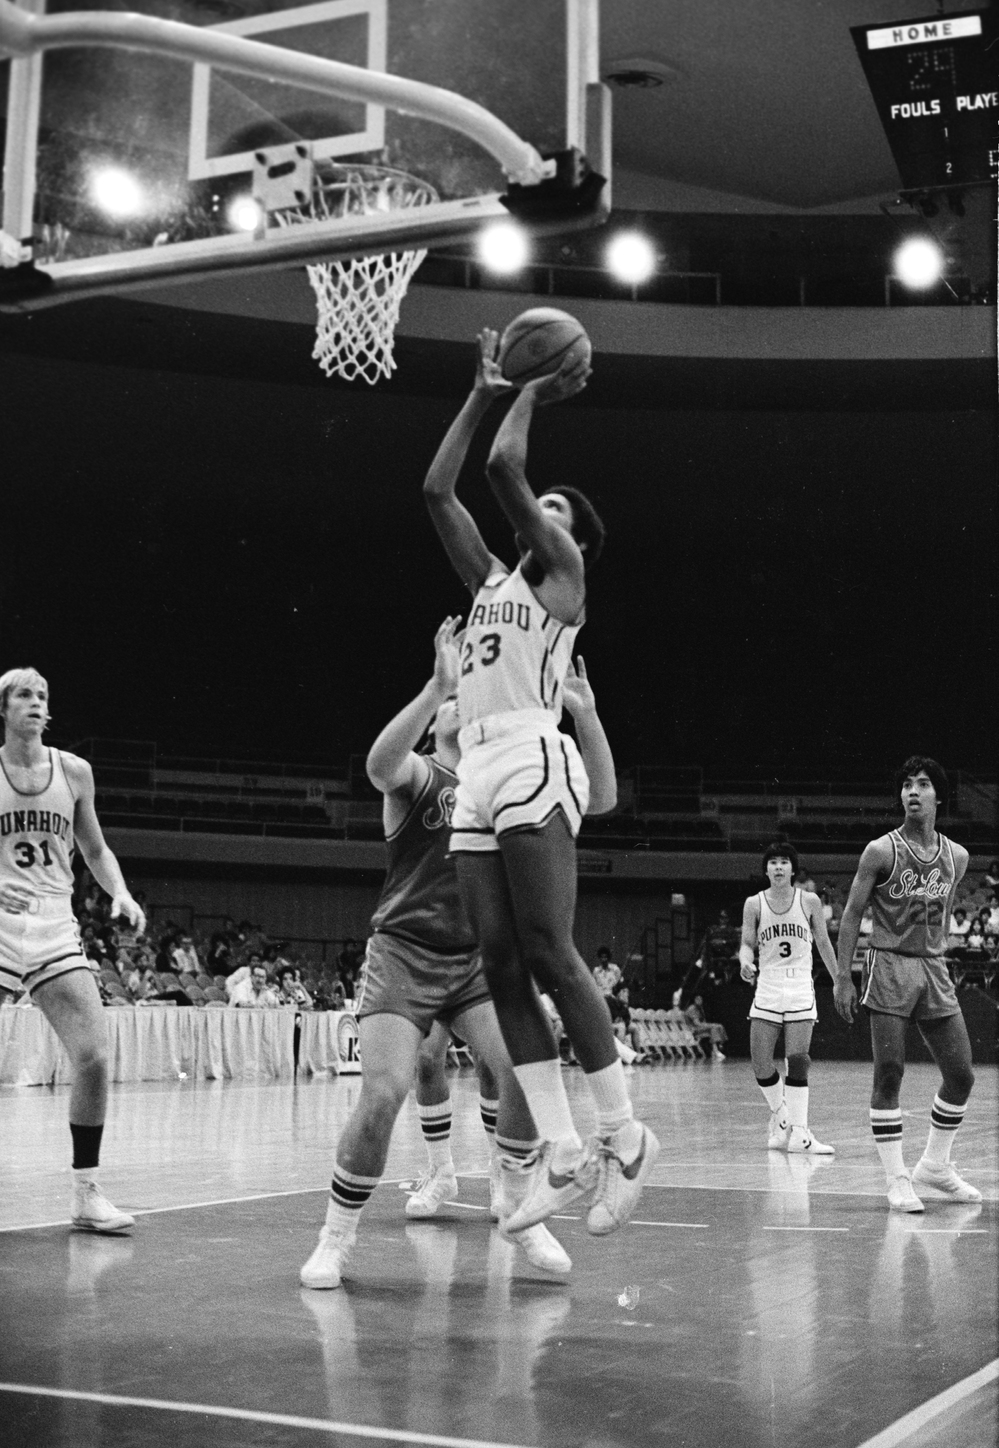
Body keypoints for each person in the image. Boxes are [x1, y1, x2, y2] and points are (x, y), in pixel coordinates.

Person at [423, 329, 658, 1239]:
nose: (537, 512)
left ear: (566, 536)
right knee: (498, 960)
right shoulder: (488, 582)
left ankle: (624, 1132)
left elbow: (502, 469)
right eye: (539, 508)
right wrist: (479, 391)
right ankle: (562, 1149)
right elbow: (438, 488)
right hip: (475, 763)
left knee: (550, 948)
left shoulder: (562, 575)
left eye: (551, 509)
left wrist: (529, 389)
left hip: (530, 752)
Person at [301, 619, 575, 1290]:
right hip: (404, 954)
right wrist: (435, 685)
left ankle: (512, 1199)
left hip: (477, 960)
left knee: (523, 1069)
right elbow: (375, 766)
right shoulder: (422, 775)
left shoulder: (505, 786)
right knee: (384, 1092)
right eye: (458, 701)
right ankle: (335, 1238)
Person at [0, 667, 146, 1232]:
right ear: (5, 708)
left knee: (93, 1055)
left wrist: (121, 893)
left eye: (42, 696)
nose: (36, 703)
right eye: (23, 695)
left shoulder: (75, 771)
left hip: (55, 925)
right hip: (2, 921)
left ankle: (86, 1194)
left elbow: (95, 847)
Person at [833, 756, 981, 1213]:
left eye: (922, 784)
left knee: (961, 1075)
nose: (912, 791)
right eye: (905, 785)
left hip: (933, 966)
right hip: (889, 963)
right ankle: (897, 1179)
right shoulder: (880, 850)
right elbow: (853, 914)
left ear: (939, 794)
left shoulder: (956, 856)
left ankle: (934, 1166)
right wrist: (843, 975)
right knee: (890, 1070)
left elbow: (941, 915)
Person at [739, 842, 837, 1154]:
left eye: (784, 862)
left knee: (797, 1061)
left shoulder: (808, 900)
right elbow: (746, 942)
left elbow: (823, 942)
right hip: (767, 983)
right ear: (765, 869)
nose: (778, 867)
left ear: (792, 869)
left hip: (798, 985)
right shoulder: (754, 903)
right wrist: (744, 960)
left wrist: (840, 980)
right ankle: (782, 1117)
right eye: (773, 862)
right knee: (759, 1063)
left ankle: (801, 1135)